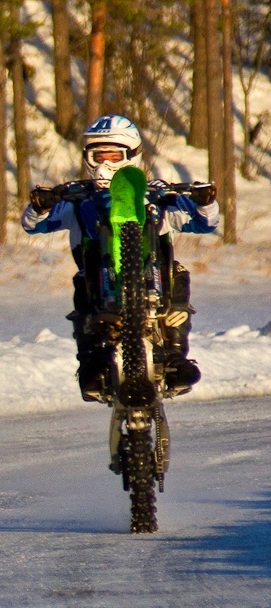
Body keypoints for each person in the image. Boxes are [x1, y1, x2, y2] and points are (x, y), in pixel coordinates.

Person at [22, 114, 219, 402]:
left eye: (114, 156)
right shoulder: (77, 200)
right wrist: (40, 206)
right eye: (98, 156)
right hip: (98, 288)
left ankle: (176, 356)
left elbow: (205, 223)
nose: (105, 164)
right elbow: (33, 225)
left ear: (132, 155)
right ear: (87, 157)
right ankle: (92, 361)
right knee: (81, 281)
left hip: (154, 279)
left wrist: (205, 202)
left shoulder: (158, 196)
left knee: (178, 272)